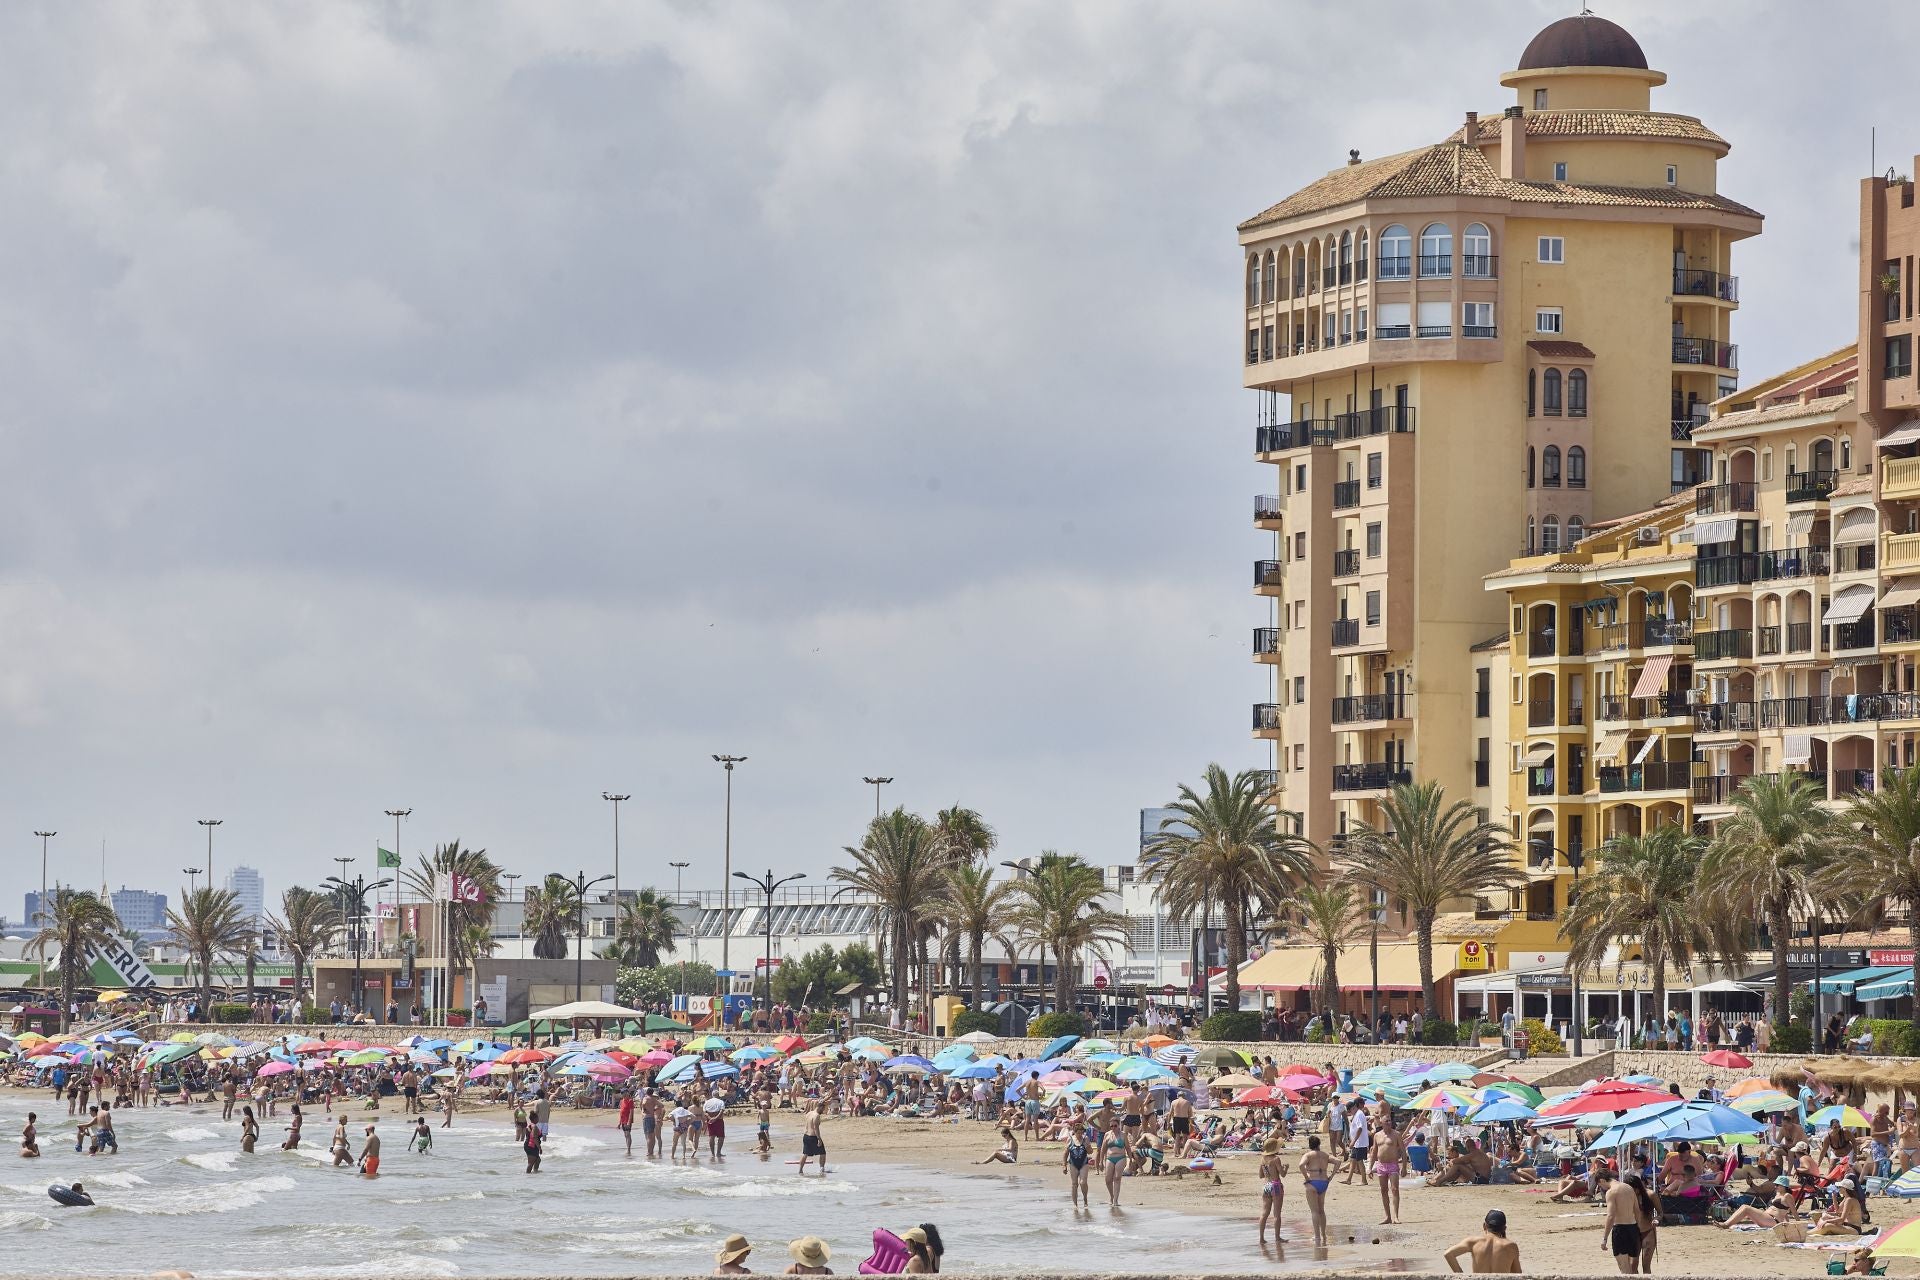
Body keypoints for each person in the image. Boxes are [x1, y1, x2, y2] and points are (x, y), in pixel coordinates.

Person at [1444, 1209, 1521, 1274]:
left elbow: (1448, 1254)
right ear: (1504, 1228)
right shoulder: (1511, 1246)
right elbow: (1518, 1275)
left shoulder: (1473, 1242)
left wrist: (1461, 1276)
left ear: (1484, 1225)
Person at [1300, 1134, 1332, 1248]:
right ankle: (1323, 1235)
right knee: (1321, 1210)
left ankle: (1317, 1236)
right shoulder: (1325, 1155)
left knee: (1314, 1211)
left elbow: (1301, 1165)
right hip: (1323, 1182)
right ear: (1319, 1144)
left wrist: (1307, 1177)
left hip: (1312, 1183)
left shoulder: (1308, 1155)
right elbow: (1337, 1162)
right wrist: (1331, 1176)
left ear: (1310, 1145)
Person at [1258, 1136, 1289, 1244]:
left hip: (1266, 1185)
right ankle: (1277, 1237)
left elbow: (1261, 1175)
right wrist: (1286, 1168)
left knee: (1264, 1213)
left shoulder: (1263, 1159)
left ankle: (1261, 1238)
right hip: (1275, 1185)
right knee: (1276, 1214)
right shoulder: (1276, 1159)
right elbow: (1283, 1174)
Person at [1063, 1126, 1091, 1207]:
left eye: (1081, 1133)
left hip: (1084, 1163)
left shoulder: (1085, 1139)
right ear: (1074, 1132)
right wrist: (1064, 1165)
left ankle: (1085, 1199)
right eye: (1078, 1133)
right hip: (1073, 1164)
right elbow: (1065, 1153)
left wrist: (1087, 1146)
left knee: (1083, 1183)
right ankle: (1075, 1204)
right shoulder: (1070, 1139)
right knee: (1074, 1184)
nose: (1080, 1135)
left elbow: (1090, 1152)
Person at [1101, 1126, 1127, 1207]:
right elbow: (1103, 1149)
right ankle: (1112, 1196)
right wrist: (1101, 1161)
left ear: (1118, 1125)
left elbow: (1128, 1148)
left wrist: (1131, 1161)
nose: (1113, 1127)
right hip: (1109, 1158)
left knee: (1117, 1178)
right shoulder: (1107, 1134)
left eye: (1115, 1126)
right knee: (1108, 1180)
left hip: (1121, 1157)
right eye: (1111, 1126)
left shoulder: (1123, 1135)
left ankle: (1115, 1200)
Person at [799, 1102, 827, 1175]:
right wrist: (819, 1139)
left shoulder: (809, 1113)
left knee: (805, 1154)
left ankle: (800, 1170)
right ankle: (822, 1169)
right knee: (823, 1153)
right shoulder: (816, 1115)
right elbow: (815, 1128)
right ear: (820, 1107)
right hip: (813, 1136)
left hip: (806, 1136)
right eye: (823, 1109)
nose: (823, 1111)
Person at [618, 1090, 636, 1157]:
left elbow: (631, 1112)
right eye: (622, 1094)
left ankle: (628, 1149)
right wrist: (619, 1122)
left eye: (623, 1093)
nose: (623, 1095)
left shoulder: (630, 1101)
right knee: (625, 1135)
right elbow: (621, 1112)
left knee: (628, 1134)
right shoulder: (621, 1101)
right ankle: (627, 1148)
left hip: (628, 1120)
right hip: (623, 1120)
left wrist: (629, 1121)